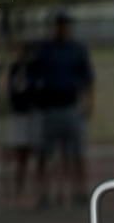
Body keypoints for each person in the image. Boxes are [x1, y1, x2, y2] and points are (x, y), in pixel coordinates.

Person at [34, 11, 94, 207]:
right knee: (44, 154)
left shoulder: (76, 49)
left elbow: (87, 78)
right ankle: (44, 193)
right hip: (49, 108)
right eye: (58, 25)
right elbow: (34, 75)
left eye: (64, 25)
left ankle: (79, 190)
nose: (61, 29)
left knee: (76, 153)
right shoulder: (44, 49)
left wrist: (88, 103)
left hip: (70, 106)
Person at [0, 40, 41, 208]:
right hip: (11, 116)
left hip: (28, 115)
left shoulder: (32, 68)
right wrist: (7, 65)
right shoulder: (6, 68)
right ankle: (10, 188)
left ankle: (23, 187)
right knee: (10, 153)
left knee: (25, 154)